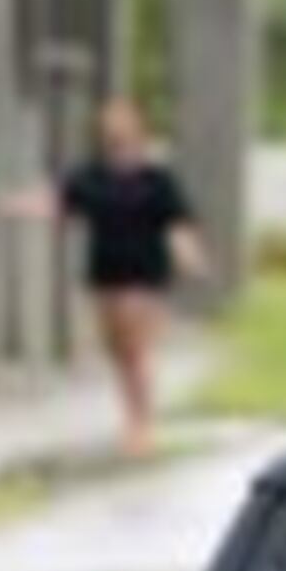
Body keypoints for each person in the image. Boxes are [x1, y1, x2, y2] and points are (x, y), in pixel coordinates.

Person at [53, 96, 207, 452]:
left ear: (138, 128)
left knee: (136, 351)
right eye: (108, 122)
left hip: (143, 276)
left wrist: (190, 256)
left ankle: (142, 424)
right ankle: (132, 416)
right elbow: (61, 202)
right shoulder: (92, 175)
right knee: (117, 351)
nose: (114, 129)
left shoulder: (156, 178)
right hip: (105, 274)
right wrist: (12, 204)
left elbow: (178, 222)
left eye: (122, 121)